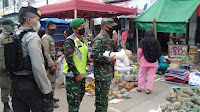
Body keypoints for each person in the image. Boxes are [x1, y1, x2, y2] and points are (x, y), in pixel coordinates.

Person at [11, 6, 53, 112]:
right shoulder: (32, 37)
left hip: (15, 83)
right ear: (29, 20)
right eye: (37, 20)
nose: (38, 23)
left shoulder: (14, 35)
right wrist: (47, 91)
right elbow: (37, 66)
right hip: (30, 84)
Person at [63, 18, 90, 112]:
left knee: (78, 101)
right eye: (80, 27)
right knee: (73, 104)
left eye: (83, 26)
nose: (83, 28)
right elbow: (69, 59)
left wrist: (88, 64)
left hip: (82, 76)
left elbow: (85, 54)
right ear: (74, 29)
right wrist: (76, 74)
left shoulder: (82, 40)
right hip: (73, 77)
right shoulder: (70, 41)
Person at [91, 18, 118, 112]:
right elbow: (93, 54)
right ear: (105, 27)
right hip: (101, 75)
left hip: (107, 73)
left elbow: (111, 50)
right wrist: (107, 59)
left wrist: (114, 41)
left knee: (104, 99)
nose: (113, 28)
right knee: (101, 100)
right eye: (111, 26)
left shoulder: (107, 38)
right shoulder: (99, 38)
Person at [137, 29, 162, 94]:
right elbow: (159, 51)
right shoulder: (156, 41)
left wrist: (141, 56)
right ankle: (148, 89)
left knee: (142, 74)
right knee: (151, 76)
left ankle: (139, 87)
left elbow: (139, 50)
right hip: (153, 62)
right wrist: (156, 57)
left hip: (144, 61)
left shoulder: (142, 41)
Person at [42, 21, 59, 108]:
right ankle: (49, 100)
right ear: (49, 27)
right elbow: (46, 53)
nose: (54, 30)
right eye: (54, 28)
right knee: (50, 81)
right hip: (49, 64)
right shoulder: (45, 38)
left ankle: (52, 97)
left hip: (53, 61)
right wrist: (51, 64)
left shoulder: (49, 37)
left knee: (53, 81)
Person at [0, 20, 13, 112]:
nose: (12, 27)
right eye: (11, 25)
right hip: (4, 68)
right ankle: (5, 105)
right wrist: (5, 67)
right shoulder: (2, 38)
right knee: (5, 86)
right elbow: (2, 55)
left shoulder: (11, 37)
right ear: (5, 26)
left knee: (11, 86)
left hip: (10, 66)